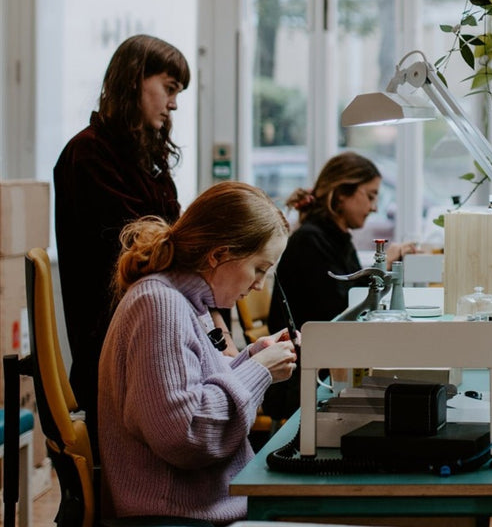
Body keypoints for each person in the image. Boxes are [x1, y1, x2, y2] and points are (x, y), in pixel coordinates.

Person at [53, 34, 231, 448]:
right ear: (135, 80)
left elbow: (175, 240)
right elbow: (152, 252)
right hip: (120, 347)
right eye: (169, 89)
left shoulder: (143, 159)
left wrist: (217, 318)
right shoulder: (88, 155)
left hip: (153, 333)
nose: (173, 104)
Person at [98, 181, 296, 523]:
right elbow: (185, 434)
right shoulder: (160, 305)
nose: (259, 284)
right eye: (259, 269)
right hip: (177, 515)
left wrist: (250, 358)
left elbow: (194, 384)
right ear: (219, 255)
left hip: (201, 507)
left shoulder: (187, 302)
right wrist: (259, 371)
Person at [261, 152, 416, 420]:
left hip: (324, 365)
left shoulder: (335, 238)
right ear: (342, 193)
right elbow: (341, 311)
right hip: (303, 380)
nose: (375, 207)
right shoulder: (311, 241)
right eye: (370, 195)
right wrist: (384, 268)